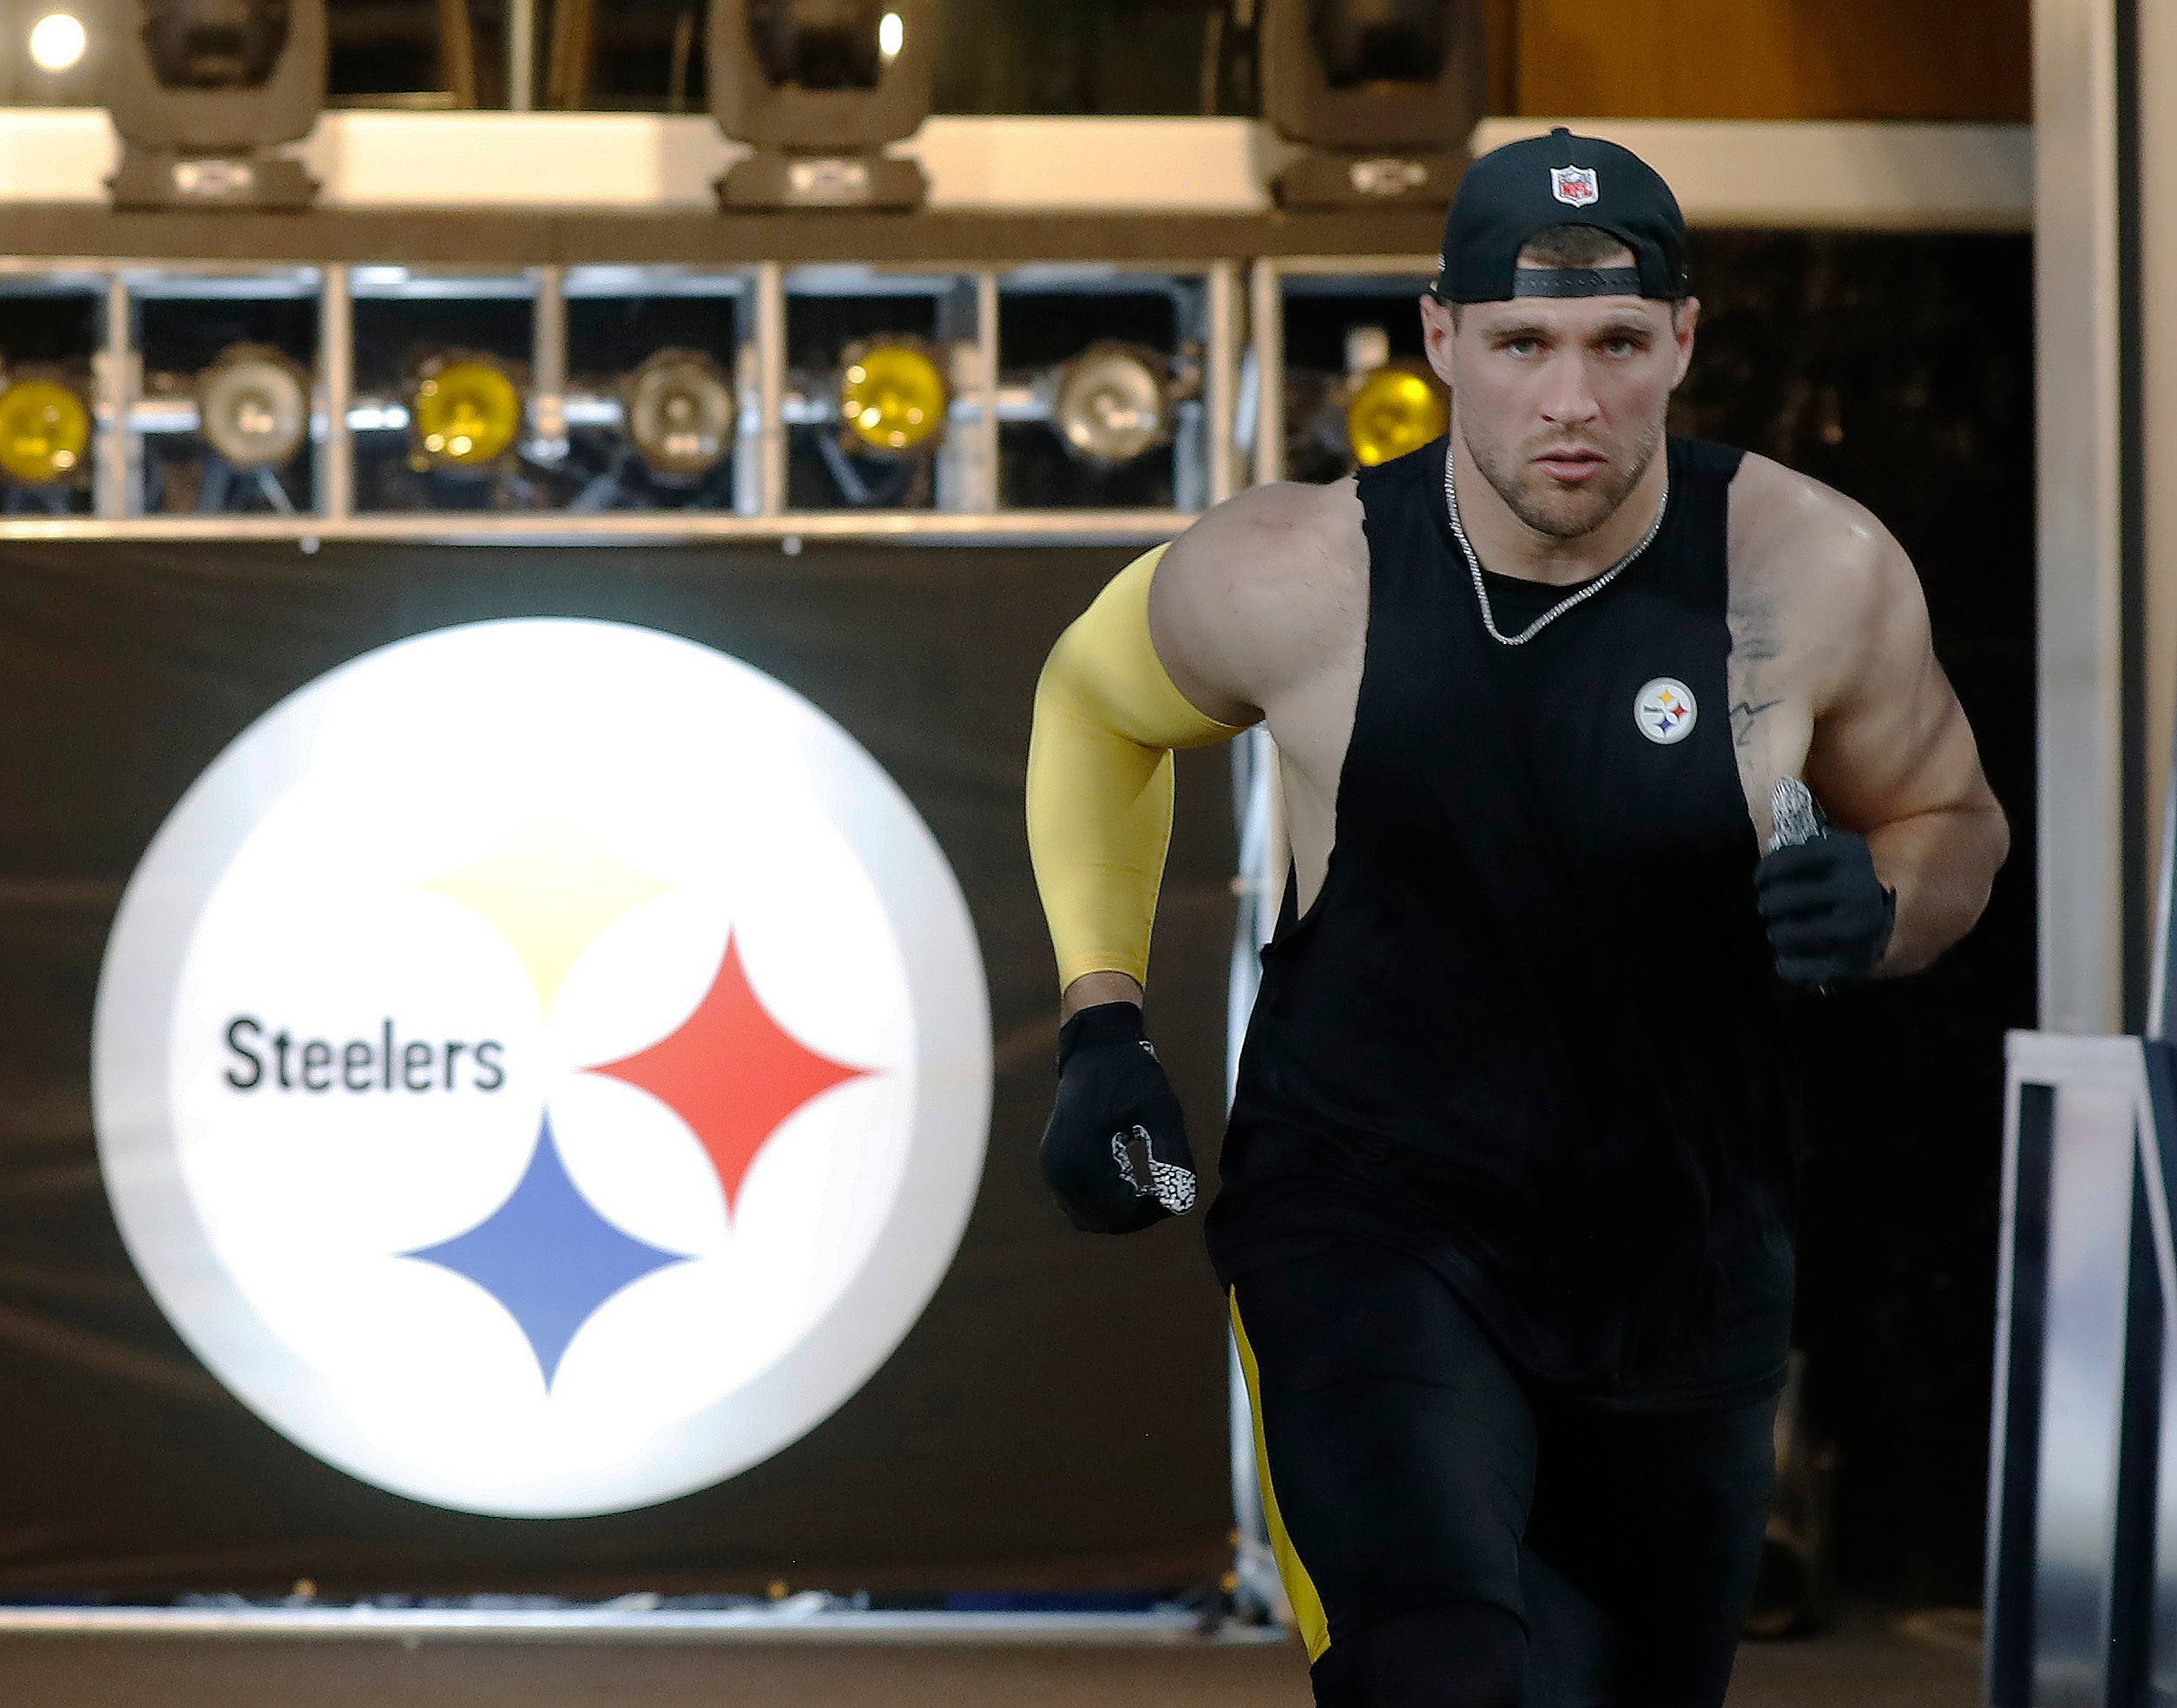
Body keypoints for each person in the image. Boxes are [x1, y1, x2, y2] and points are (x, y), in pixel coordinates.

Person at [1023, 127, 2009, 1707]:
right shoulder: (1298, 573)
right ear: (1441, 341)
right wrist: (1101, 1017)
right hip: (1368, 1223)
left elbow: (1953, 822)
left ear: (1683, 338)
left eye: (1619, 342)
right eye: (1523, 343)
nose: (1573, 398)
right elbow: (1092, 704)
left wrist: (1883, 902)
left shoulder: (1812, 572)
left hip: (1681, 1258)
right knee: (1442, 1674)